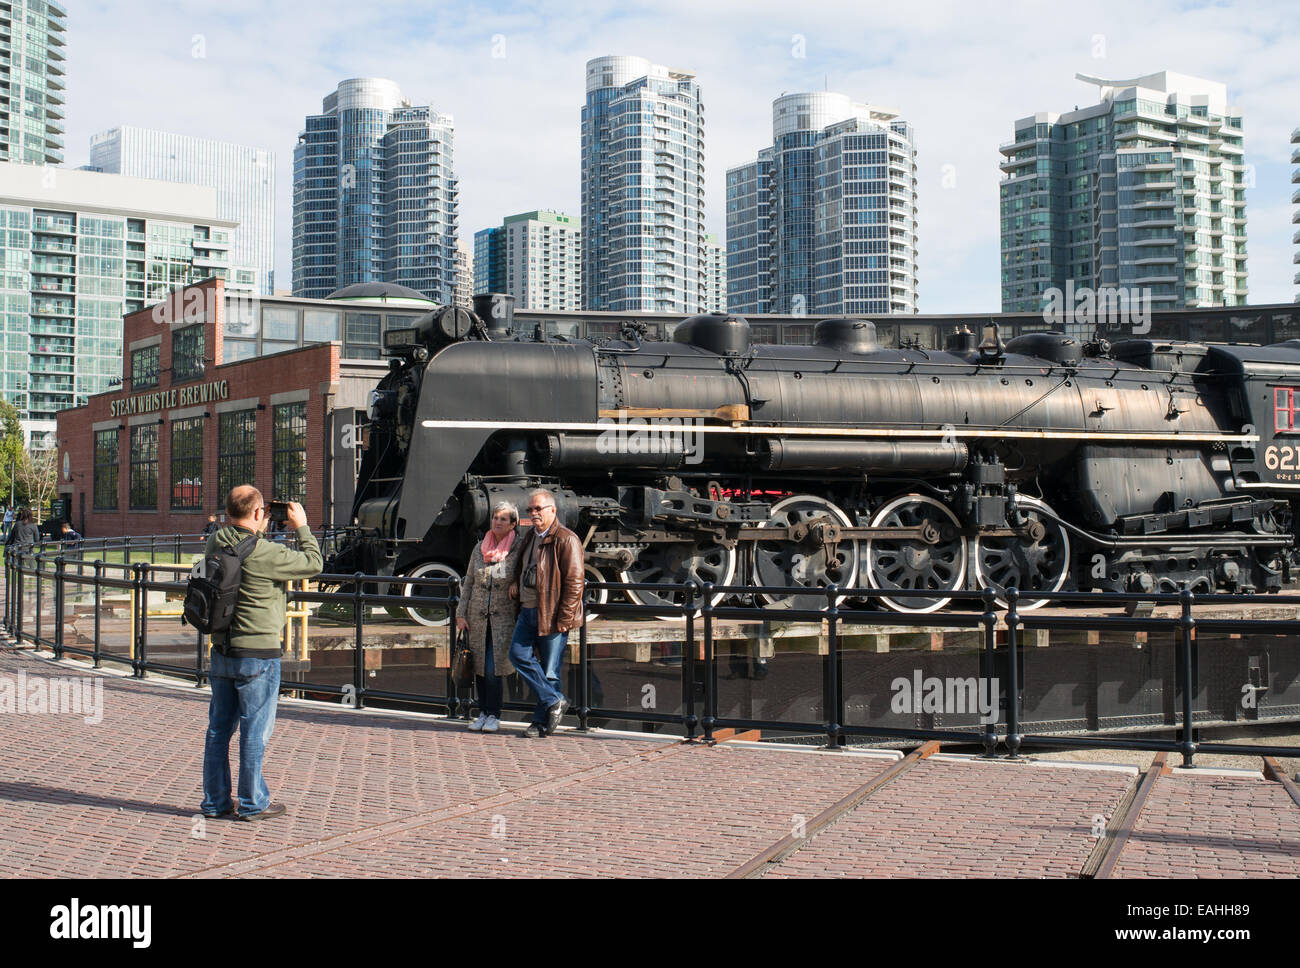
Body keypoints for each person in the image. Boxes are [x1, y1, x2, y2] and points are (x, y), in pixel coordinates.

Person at [200, 486, 322, 821]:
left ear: (227, 513)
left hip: (223, 650)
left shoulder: (217, 541)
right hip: (258, 654)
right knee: (254, 731)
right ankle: (253, 802)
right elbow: (314, 563)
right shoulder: (266, 552)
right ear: (257, 514)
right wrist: (301, 526)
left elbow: (236, 536)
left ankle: (215, 802)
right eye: (264, 512)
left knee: (218, 730)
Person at [508, 488, 584, 738]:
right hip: (527, 610)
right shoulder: (530, 536)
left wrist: (565, 618)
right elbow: (522, 566)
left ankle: (540, 722)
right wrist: (514, 583)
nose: (533, 513)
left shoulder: (566, 538)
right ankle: (554, 700)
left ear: (553, 510)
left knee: (550, 670)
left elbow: (575, 582)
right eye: (530, 509)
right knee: (517, 655)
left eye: (537, 508)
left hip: (550, 613)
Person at [455, 502, 522, 733]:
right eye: (495, 518)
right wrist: (461, 614)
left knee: (494, 668)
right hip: (477, 617)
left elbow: (519, 572)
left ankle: (494, 714)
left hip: (503, 619)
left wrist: (515, 583)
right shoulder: (479, 548)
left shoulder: (517, 547)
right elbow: (470, 581)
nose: (497, 522)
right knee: (479, 668)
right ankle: (482, 712)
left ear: (513, 523)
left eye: (503, 519)